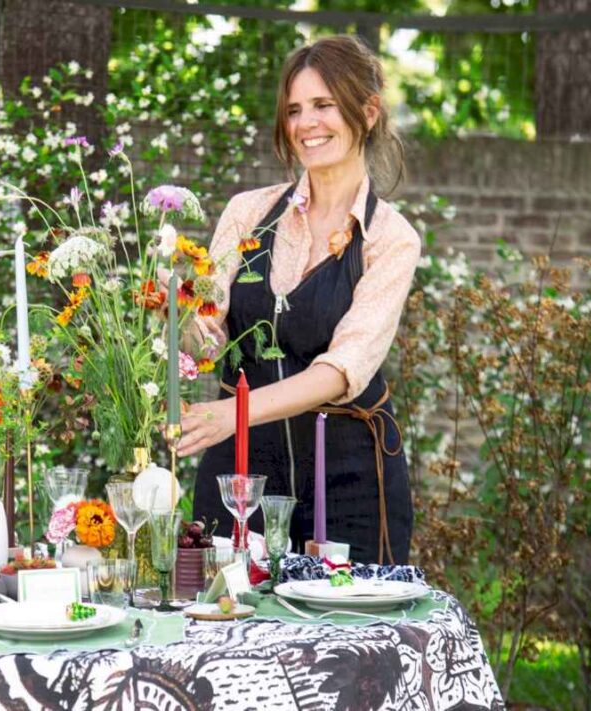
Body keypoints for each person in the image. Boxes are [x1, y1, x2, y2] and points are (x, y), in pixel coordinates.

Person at [176, 35, 420, 565]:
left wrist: (232, 415)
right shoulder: (248, 214)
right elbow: (208, 330)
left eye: (323, 105)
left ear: (369, 110)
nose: (307, 123)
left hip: (350, 480)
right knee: (225, 624)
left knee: (347, 638)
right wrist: (186, 319)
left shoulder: (390, 237)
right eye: (294, 110)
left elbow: (341, 370)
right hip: (238, 476)